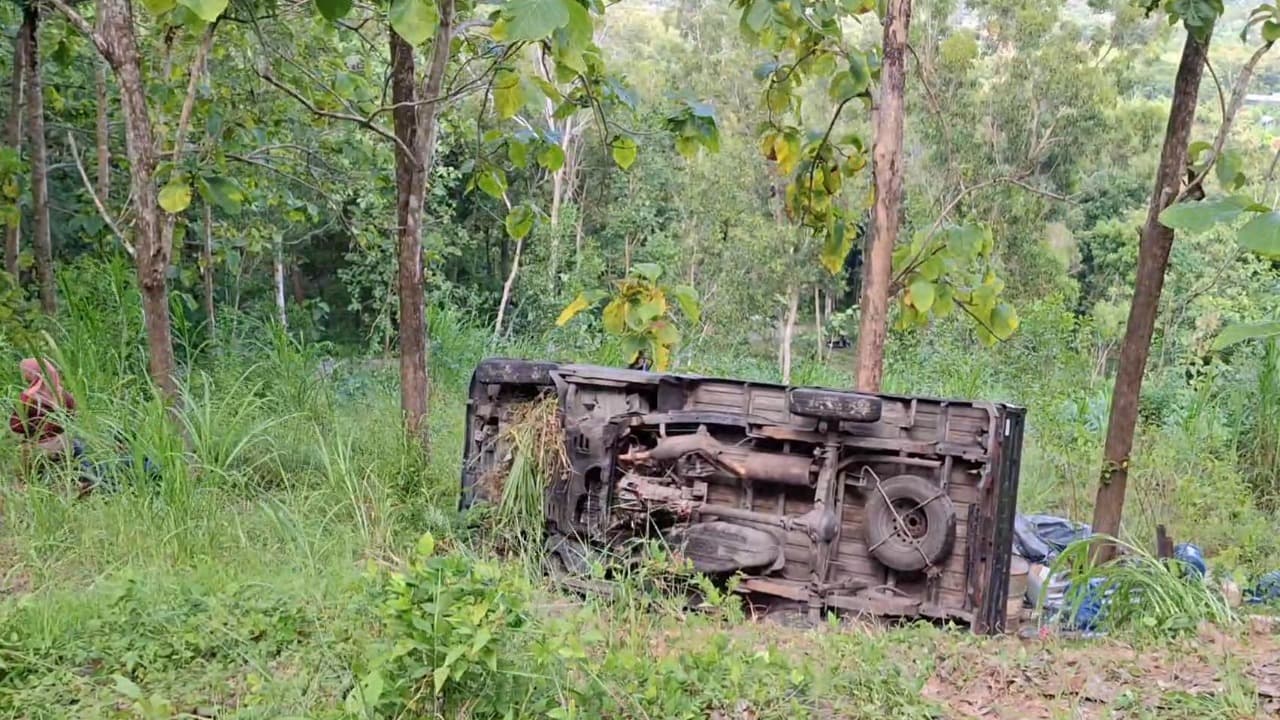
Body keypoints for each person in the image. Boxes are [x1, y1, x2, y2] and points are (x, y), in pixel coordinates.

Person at [10, 358, 79, 479]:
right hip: (63, 444)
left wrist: (31, 427)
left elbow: (16, 426)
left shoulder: (28, 398)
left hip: (36, 449)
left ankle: (27, 483)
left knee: (26, 477)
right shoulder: (63, 395)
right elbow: (71, 416)